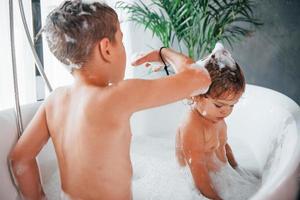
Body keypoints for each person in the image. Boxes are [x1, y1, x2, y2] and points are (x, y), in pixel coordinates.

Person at [8, 1, 211, 200]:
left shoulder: (54, 100)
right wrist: (163, 52)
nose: (123, 47)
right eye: (121, 40)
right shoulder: (118, 96)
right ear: (106, 48)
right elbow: (201, 79)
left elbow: (20, 159)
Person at [176, 43, 260, 200]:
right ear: (197, 94)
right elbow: (197, 166)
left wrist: (238, 170)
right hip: (199, 186)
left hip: (222, 178)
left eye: (232, 105)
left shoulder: (216, 117)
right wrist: (215, 198)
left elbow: (224, 147)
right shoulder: (192, 125)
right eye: (219, 105)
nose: (226, 111)